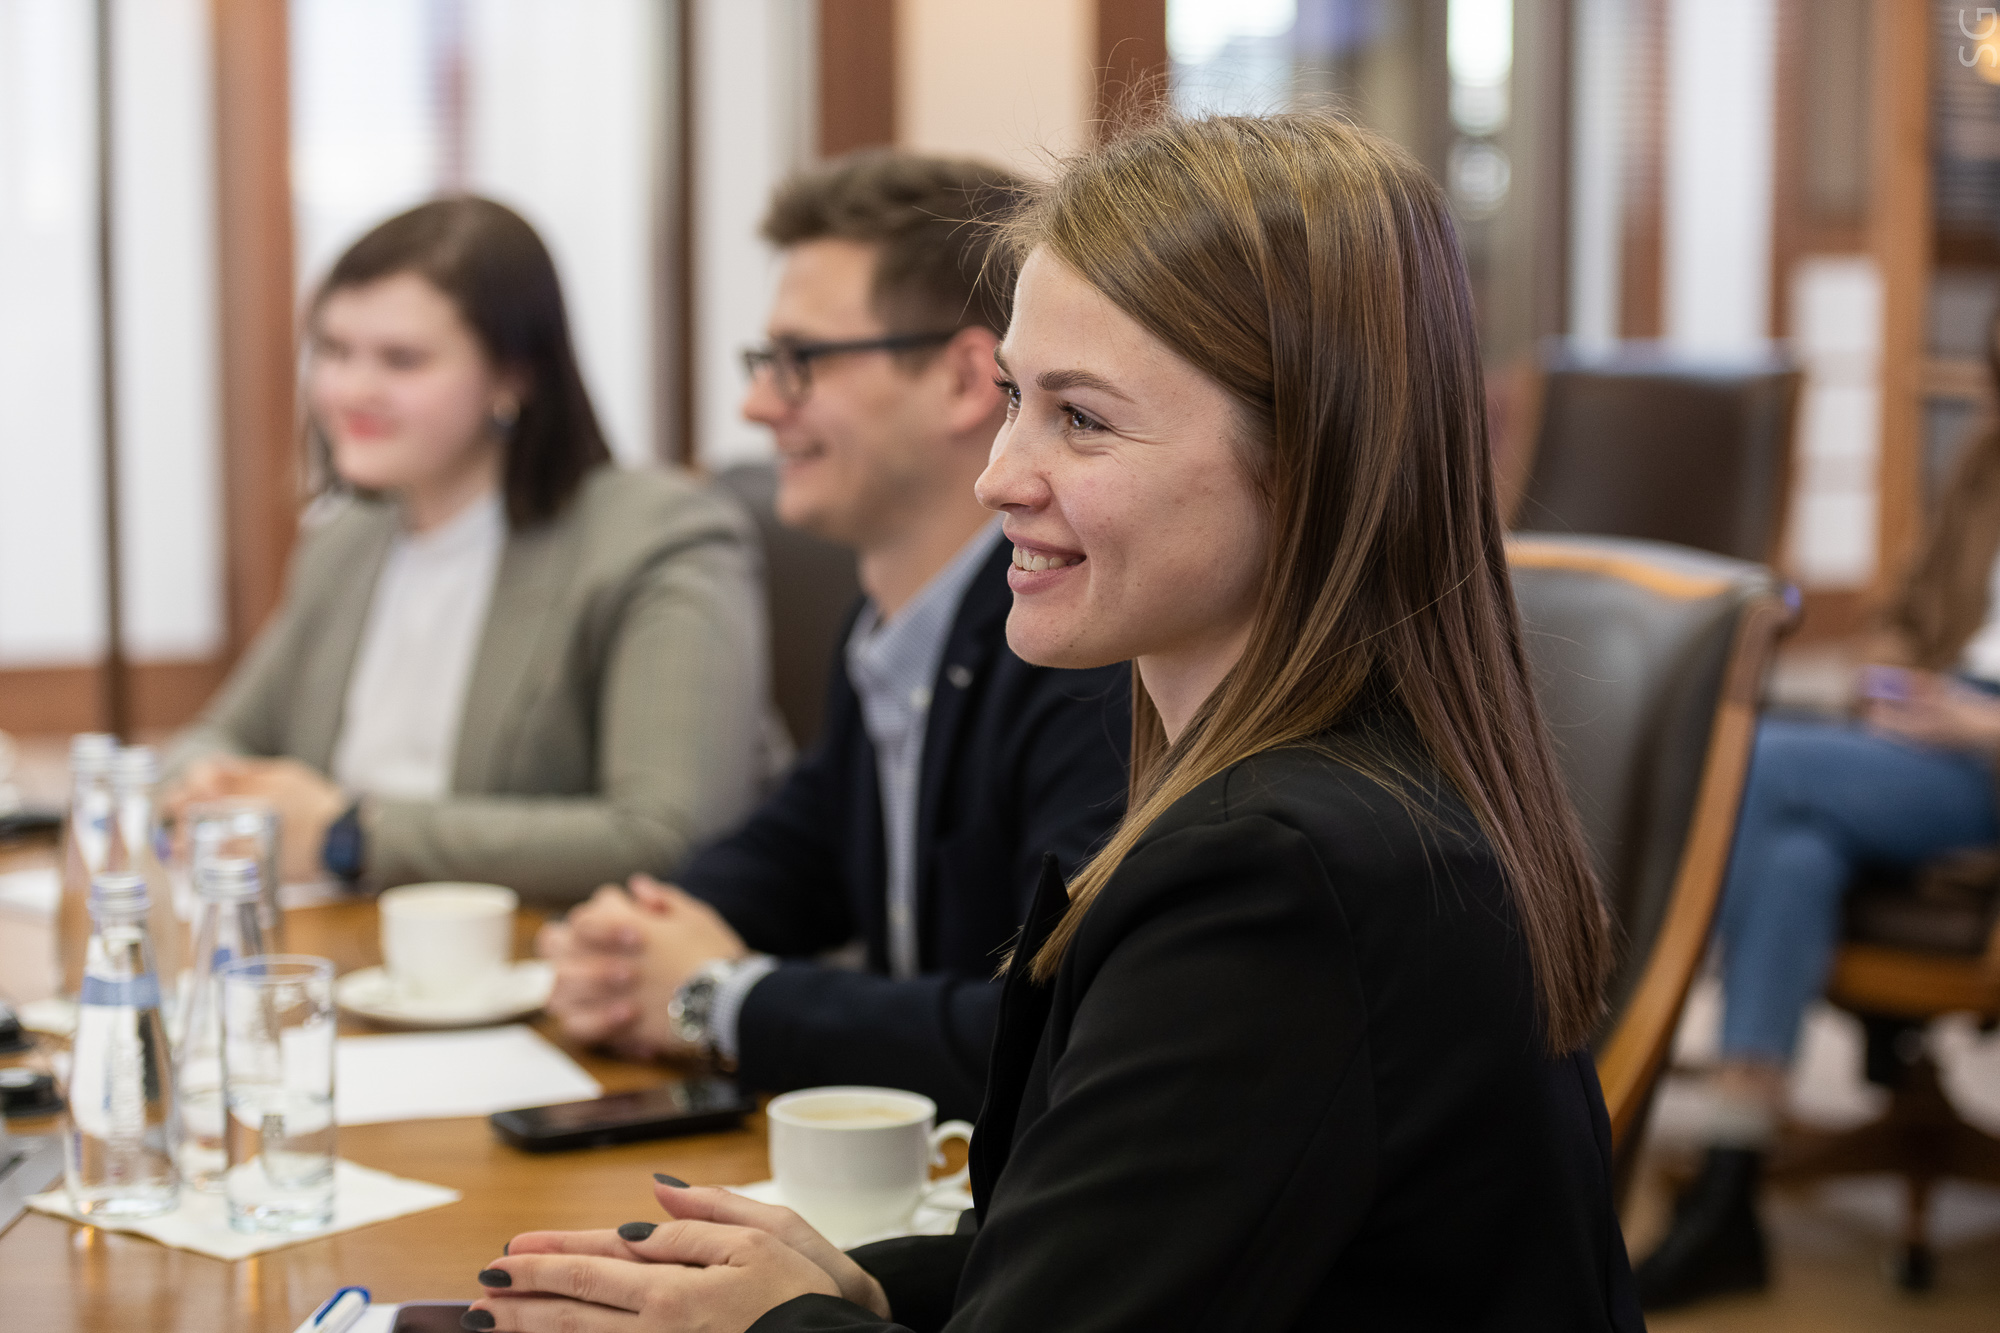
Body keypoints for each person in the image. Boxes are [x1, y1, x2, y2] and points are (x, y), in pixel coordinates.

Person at [464, 114, 1642, 1333]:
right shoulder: (1312, 798)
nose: (998, 476)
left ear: (1304, 456)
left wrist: (761, 1327)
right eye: (1014, 399)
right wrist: (862, 1284)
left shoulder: (1281, 875)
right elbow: (1117, 1239)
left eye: (1080, 419)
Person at [538, 151, 1129, 1120]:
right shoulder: (887, 621)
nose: (757, 405)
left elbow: (1045, 1026)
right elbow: (800, 850)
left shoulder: (1082, 650)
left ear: (962, 380)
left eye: (800, 361)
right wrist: (633, 941)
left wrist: (725, 999)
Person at [163, 197, 772, 906]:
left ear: (514, 375)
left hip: (541, 954)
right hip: (350, 942)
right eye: (333, 351)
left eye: (402, 359)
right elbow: (219, 734)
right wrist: (209, 783)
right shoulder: (345, 541)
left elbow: (665, 834)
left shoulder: (656, 536)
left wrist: (350, 835)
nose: (350, 390)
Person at [1632, 318, 2000, 1309]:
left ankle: (1628, 1034)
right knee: (1791, 855)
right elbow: (1905, 609)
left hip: (1987, 755)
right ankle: (1730, 1182)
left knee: (1752, 760)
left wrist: (1973, 723)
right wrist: (1899, 681)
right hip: (1932, 728)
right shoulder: (1984, 459)